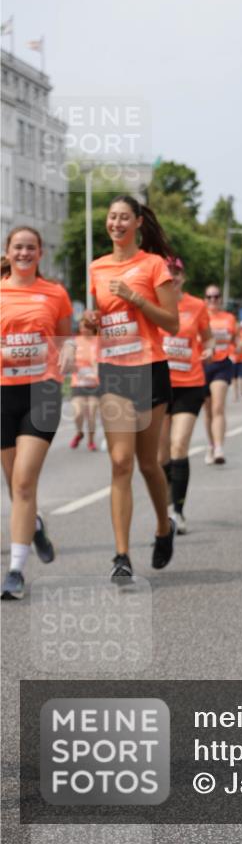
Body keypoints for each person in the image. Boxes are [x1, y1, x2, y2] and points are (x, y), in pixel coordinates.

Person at [85, 194, 179, 583]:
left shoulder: (155, 265)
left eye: (125, 218)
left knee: (147, 463)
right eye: (112, 218)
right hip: (114, 371)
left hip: (150, 368)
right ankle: (121, 555)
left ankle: (163, 526)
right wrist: (90, 320)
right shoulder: (97, 267)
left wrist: (136, 298)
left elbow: (171, 323)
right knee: (120, 462)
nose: (117, 224)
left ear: (139, 223)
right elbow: (100, 318)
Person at [1, 226, 73, 599]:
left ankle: (14, 570)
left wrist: (66, 361)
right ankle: (36, 525)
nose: (25, 252)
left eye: (31, 247)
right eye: (18, 247)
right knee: (16, 486)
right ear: (8, 252)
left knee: (25, 483)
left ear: (40, 253)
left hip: (41, 392)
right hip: (2, 394)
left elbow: (65, 341)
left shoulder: (55, 293)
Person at [158, 258, 213, 534]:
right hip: (158, 384)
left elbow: (208, 336)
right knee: (160, 455)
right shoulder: (152, 303)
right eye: (168, 273)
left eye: (177, 272)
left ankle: (177, 510)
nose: (173, 277)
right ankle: (166, 500)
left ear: (183, 277)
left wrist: (210, 348)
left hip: (189, 383)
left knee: (179, 445)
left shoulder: (197, 306)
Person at [203, 285, 236, 464]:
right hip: (202, 366)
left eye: (216, 297)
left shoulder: (229, 318)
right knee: (207, 411)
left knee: (218, 407)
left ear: (220, 299)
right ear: (204, 299)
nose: (213, 300)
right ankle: (210, 444)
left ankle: (219, 448)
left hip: (222, 364)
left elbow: (236, 339)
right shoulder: (201, 316)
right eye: (209, 297)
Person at [69, 318, 100, 451]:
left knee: (92, 415)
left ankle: (91, 441)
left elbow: (99, 361)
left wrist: (95, 373)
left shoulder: (98, 341)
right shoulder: (75, 341)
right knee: (78, 413)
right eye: (82, 327)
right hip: (78, 383)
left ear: (92, 327)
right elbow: (68, 360)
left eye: (87, 327)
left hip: (94, 384)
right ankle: (79, 432)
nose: (84, 329)